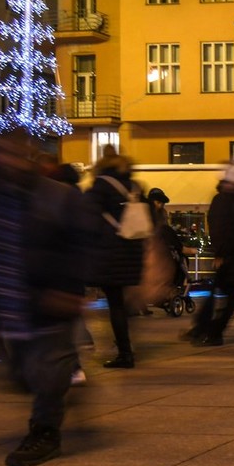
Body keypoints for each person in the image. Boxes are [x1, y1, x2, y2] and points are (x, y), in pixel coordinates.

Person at [0, 135, 101, 466]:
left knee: (48, 369)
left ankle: (44, 432)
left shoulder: (58, 196)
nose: (9, 161)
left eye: (16, 154)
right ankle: (59, 387)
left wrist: (70, 288)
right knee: (24, 373)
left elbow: (83, 243)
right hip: (9, 299)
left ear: (29, 156)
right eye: (3, 154)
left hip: (50, 297)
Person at [86, 154, 146, 368]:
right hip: (132, 251)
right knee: (122, 303)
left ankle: (125, 353)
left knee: (115, 304)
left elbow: (88, 216)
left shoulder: (101, 187)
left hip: (109, 252)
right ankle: (126, 346)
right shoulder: (135, 186)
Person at [189, 164, 234, 346]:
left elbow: (221, 229)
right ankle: (206, 329)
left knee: (225, 297)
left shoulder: (223, 200)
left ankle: (208, 330)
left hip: (231, 257)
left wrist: (220, 253)